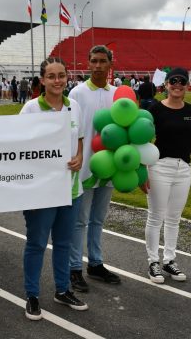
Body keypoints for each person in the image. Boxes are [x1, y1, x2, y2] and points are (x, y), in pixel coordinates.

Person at [19, 57, 88, 320]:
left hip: (71, 190)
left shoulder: (74, 107)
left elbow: (79, 139)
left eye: (62, 75)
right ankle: (32, 295)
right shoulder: (30, 109)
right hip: (41, 191)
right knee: (36, 243)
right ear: (42, 80)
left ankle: (62, 289)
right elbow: (18, 147)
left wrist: (80, 157)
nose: (57, 81)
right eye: (52, 76)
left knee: (64, 243)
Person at [142, 67, 191, 284]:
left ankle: (169, 259)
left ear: (188, 85)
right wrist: (143, 171)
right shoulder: (155, 110)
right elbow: (144, 141)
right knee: (156, 216)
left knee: (174, 218)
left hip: (183, 169)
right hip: (159, 166)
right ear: (166, 84)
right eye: (173, 81)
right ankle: (153, 262)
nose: (178, 85)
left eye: (182, 82)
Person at [68, 45, 121, 293]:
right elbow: (71, 129)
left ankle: (95, 263)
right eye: (93, 61)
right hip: (85, 166)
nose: (98, 66)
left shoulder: (118, 95)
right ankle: (74, 268)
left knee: (98, 219)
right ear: (88, 64)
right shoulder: (77, 93)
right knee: (80, 221)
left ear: (110, 64)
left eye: (102, 61)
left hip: (110, 167)